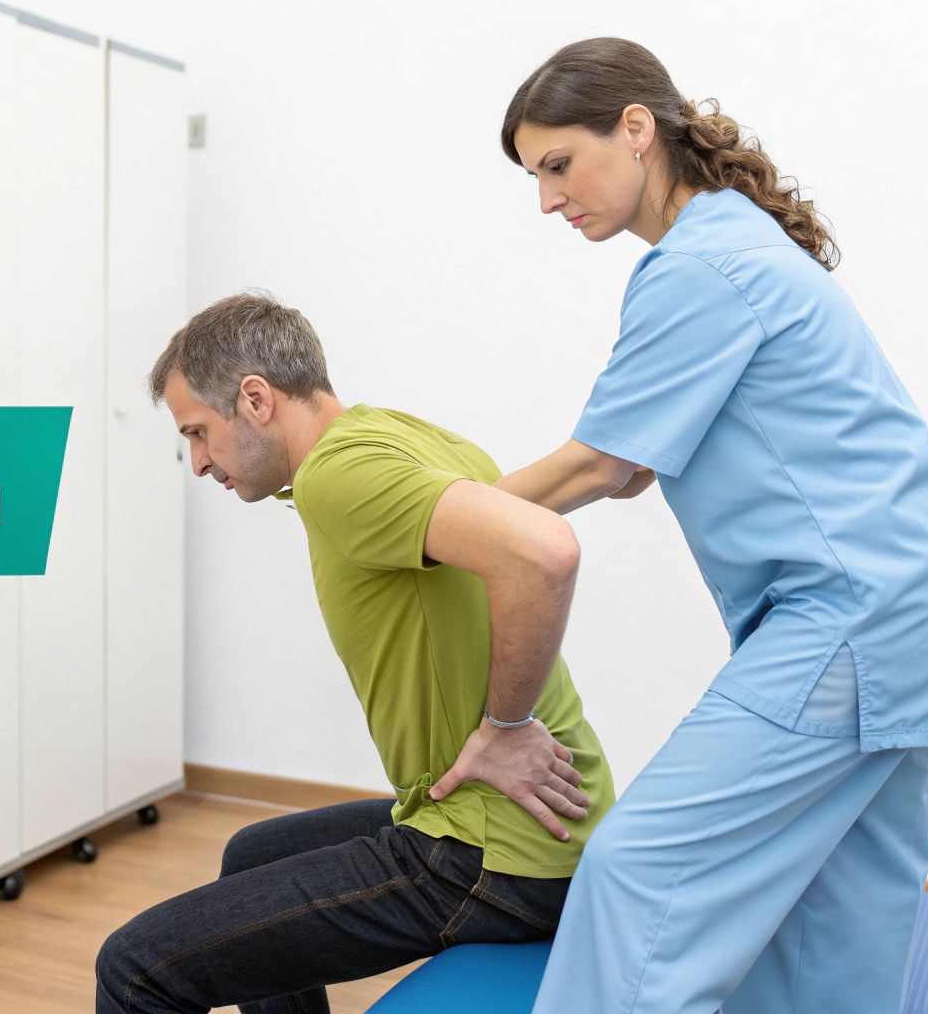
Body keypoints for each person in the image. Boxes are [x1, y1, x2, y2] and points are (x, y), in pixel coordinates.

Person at [484, 37, 928, 1014]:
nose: (548, 200)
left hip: (856, 615)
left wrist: (440, 519)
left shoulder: (696, 267)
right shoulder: (732, 239)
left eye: (556, 165)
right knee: (839, 911)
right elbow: (631, 461)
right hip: (925, 602)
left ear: (634, 130)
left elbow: (596, 461)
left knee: (635, 872)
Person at [94, 293, 614, 1014]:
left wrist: (506, 724)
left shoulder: (339, 476)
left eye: (198, 433)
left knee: (135, 968)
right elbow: (520, 522)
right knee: (253, 853)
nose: (198, 462)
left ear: (254, 399)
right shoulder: (400, 436)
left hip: (488, 855)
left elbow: (543, 553)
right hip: (539, 825)